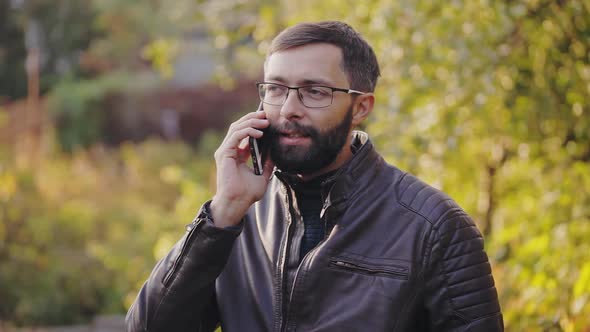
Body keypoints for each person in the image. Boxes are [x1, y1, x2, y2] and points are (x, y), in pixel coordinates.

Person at [126, 21, 504, 332]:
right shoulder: (235, 220)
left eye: (314, 91)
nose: (289, 109)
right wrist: (223, 211)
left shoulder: (434, 227)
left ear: (360, 107)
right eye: (275, 89)